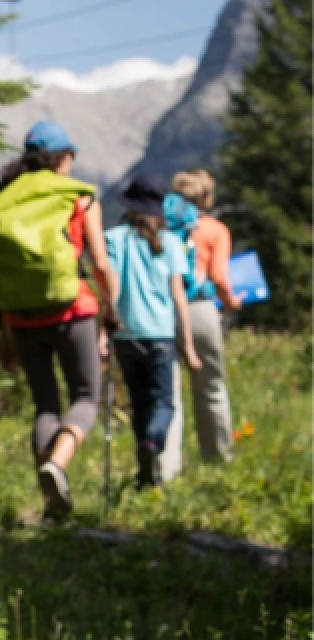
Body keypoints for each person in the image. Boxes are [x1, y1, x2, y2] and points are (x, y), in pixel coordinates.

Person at [0, 121, 120, 518]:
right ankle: (57, 463)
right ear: (61, 158)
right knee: (86, 397)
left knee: (45, 406)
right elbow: (101, 264)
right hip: (72, 310)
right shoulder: (78, 197)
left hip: (22, 318)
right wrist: (112, 308)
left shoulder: (9, 199)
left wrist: (6, 334)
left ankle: (50, 500)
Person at [107, 174, 201, 487]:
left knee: (139, 402)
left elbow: (112, 287)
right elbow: (179, 298)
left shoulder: (115, 239)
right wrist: (188, 346)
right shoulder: (171, 243)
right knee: (163, 403)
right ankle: (152, 445)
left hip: (125, 334)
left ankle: (144, 469)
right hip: (160, 334)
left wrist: (102, 331)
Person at [158, 169, 239, 480]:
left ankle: (167, 467)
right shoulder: (215, 230)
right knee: (211, 388)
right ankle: (218, 459)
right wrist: (231, 302)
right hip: (200, 310)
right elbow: (218, 276)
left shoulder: (162, 228)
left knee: (170, 393)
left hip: (165, 310)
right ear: (207, 196)